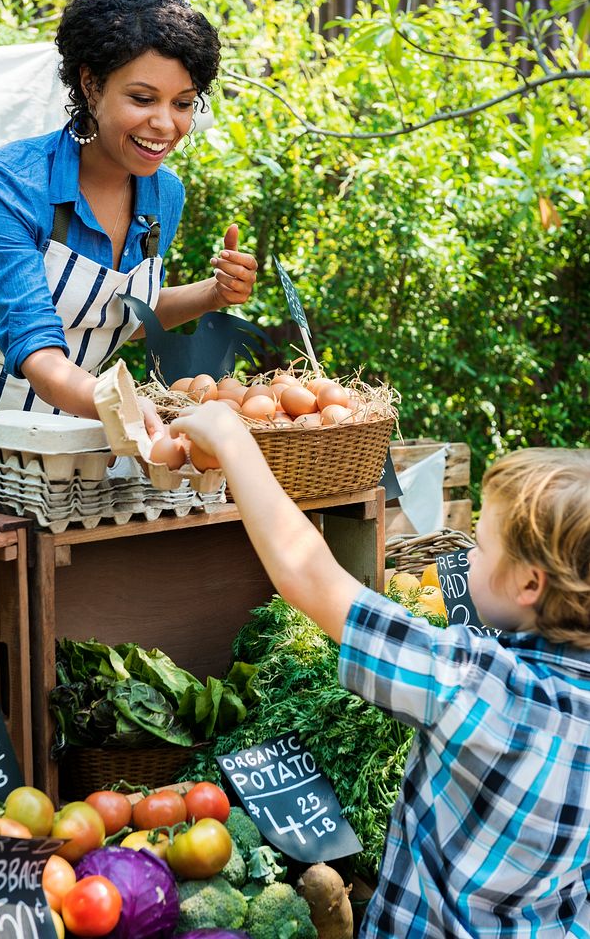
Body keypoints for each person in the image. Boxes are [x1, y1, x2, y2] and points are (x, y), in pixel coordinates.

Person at [170, 400, 590, 938]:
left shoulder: (477, 683)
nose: (469, 557)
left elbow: (310, 576)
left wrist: (233, 439)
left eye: (482, 545)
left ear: (530, 585)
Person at [0, 0, 257, 452]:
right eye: (142, 99)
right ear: (91, 85)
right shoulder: (10, 185)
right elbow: (37, 348)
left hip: (80, 431)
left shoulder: (164, 195)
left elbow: (112, 320)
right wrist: (114, 399)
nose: (165, 124)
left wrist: (213, 294)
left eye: (182, 104)